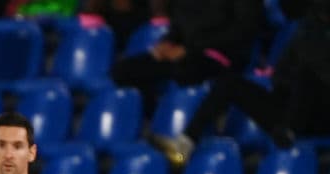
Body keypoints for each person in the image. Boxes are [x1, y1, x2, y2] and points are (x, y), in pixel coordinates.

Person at [152, 1, 330, 165]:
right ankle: (184, 146)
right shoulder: (309, 29)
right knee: (229, 83)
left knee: (309, 74)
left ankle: (290, 132)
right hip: (286, 112)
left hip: (318, 116)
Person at [110, 0, 264, 113]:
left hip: (221, 55)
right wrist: (167, 42)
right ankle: (150, 121)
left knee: (185, 70)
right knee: (123, 70)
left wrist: (190, 49)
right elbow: (179, 24)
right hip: (185, 52)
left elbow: (244, 31)